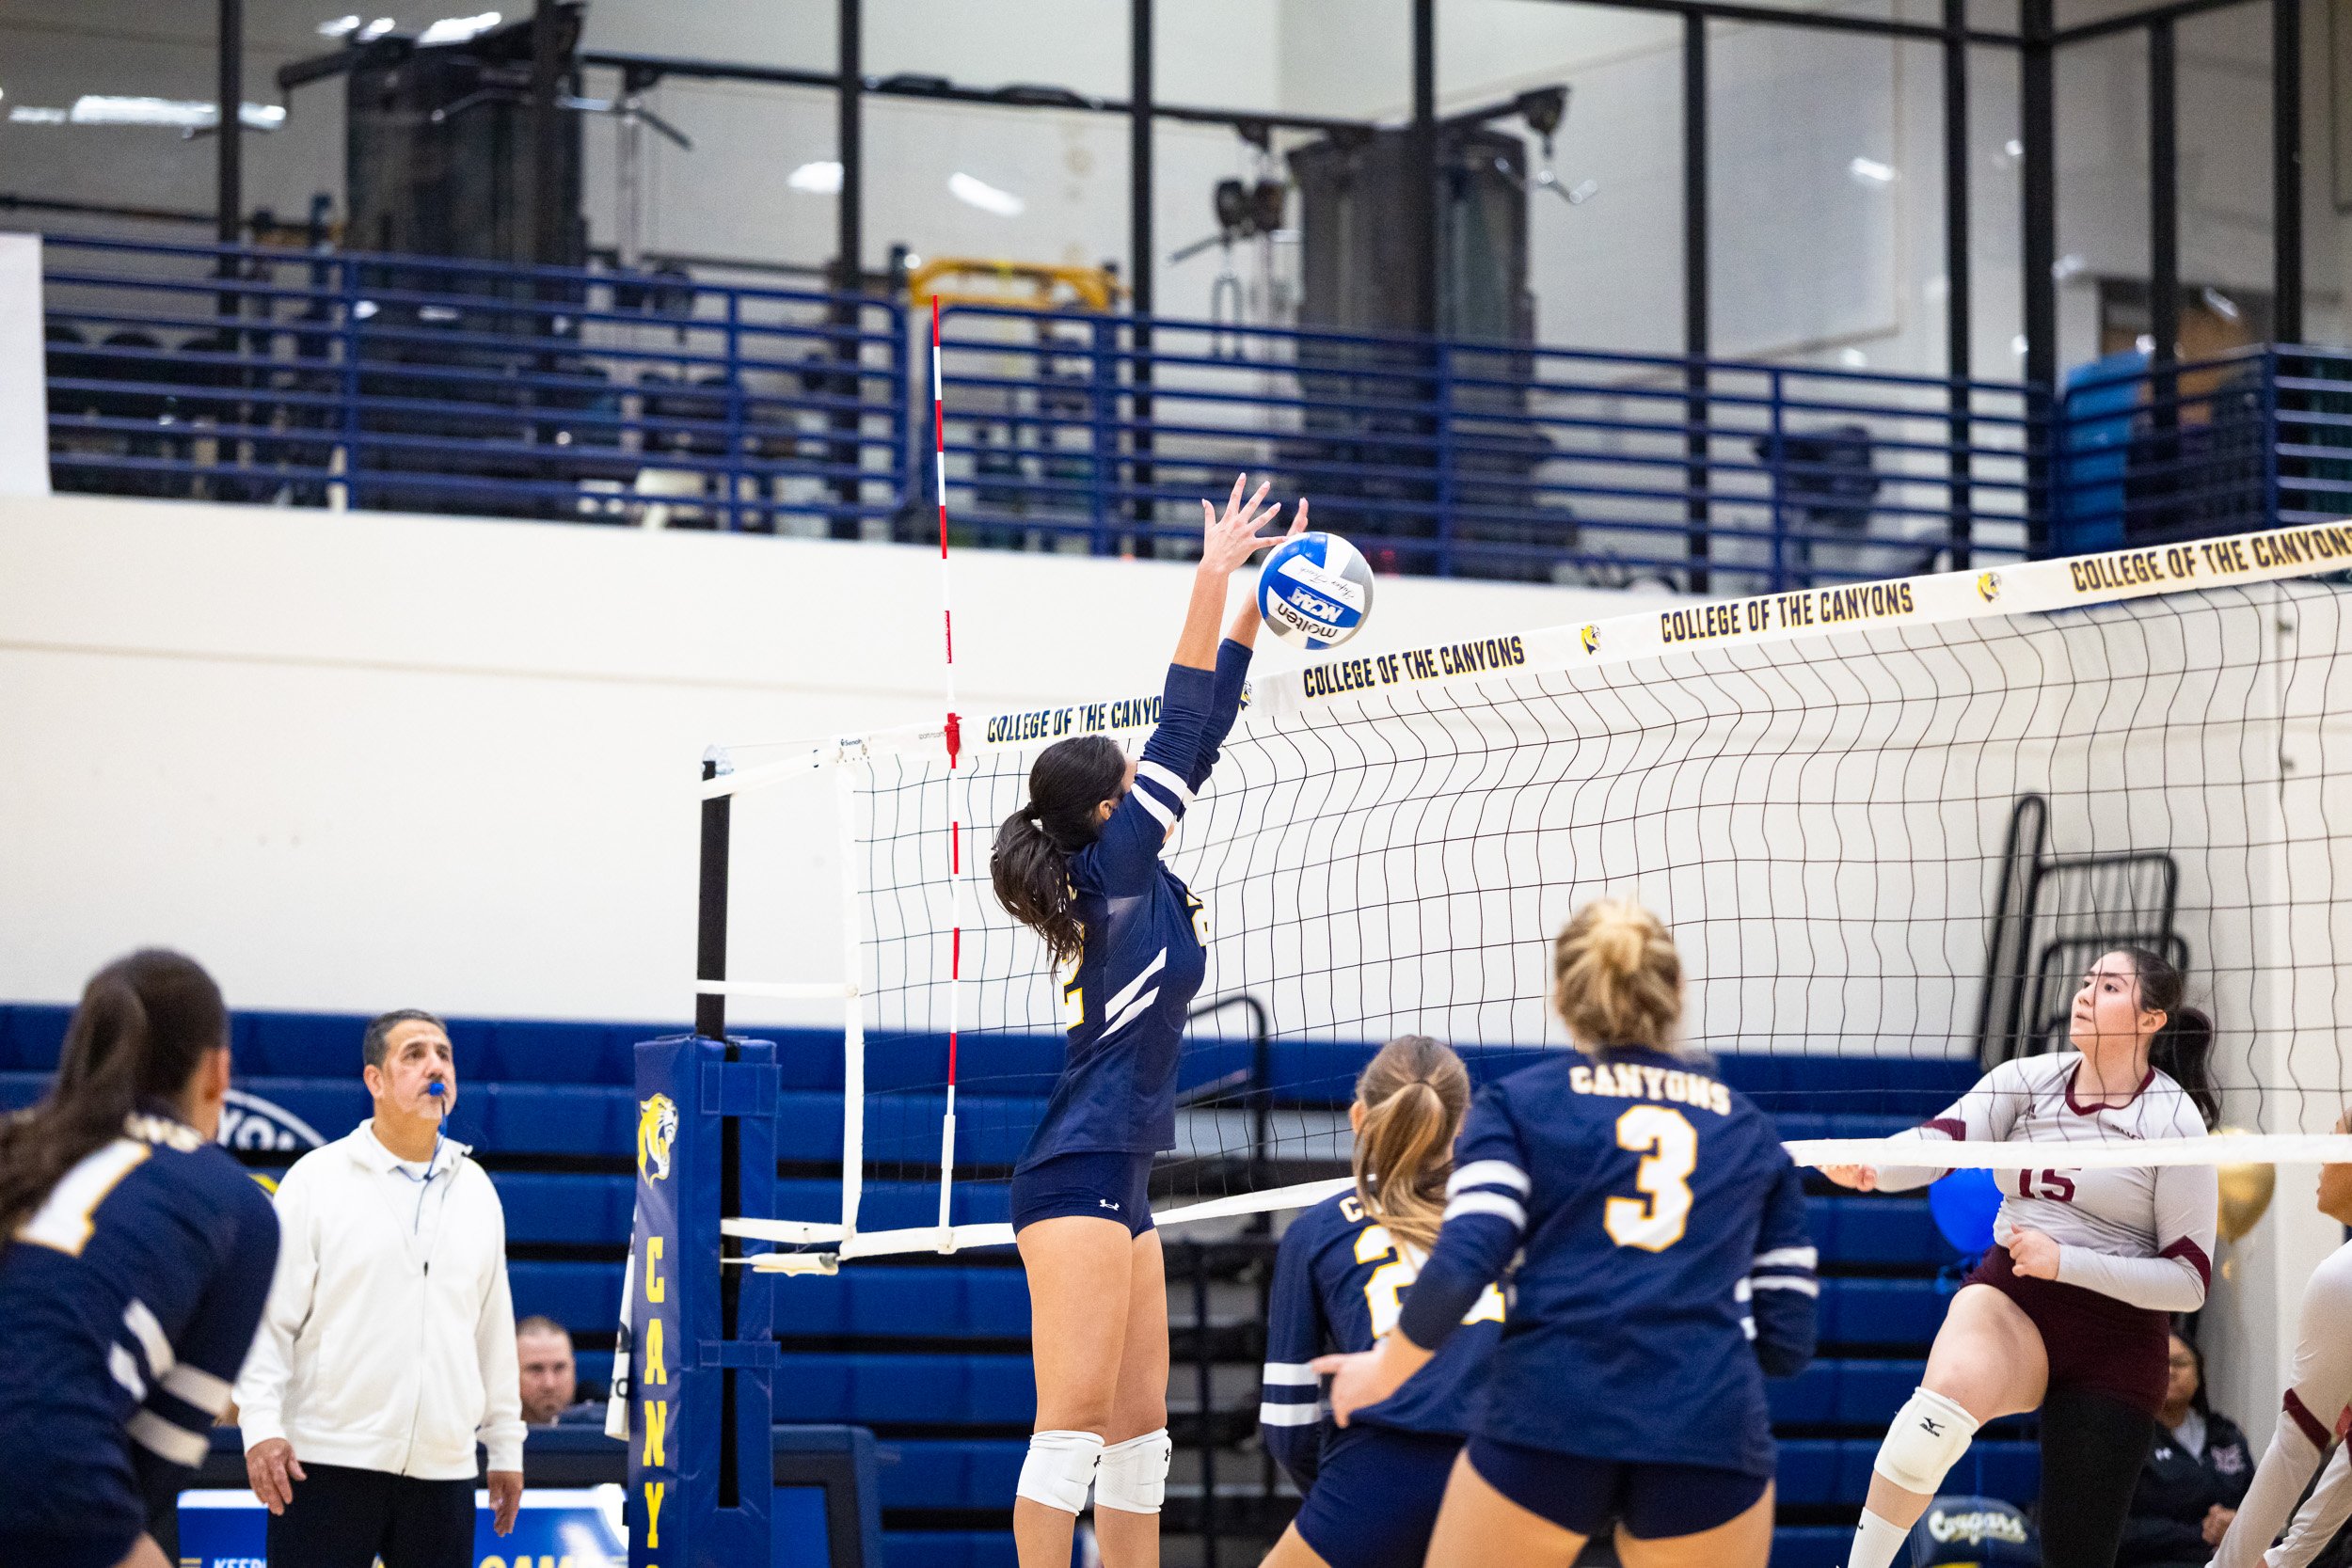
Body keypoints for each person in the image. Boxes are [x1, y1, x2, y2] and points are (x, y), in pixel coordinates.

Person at [990, 473, 1303, 1568]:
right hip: (1074, 1171)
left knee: (1140, 1440)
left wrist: (1256, 608)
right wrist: (1212, 574)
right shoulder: (1114, 869)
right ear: (1108, 807)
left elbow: (1201, 726)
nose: (1150, 768)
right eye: (1132, 774)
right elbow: (1176, 718)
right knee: (1071, 1430)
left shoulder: (1132, 870)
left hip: (1120, 1176)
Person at [1317, 900, 1817, 1568]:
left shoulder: (1518, 1106)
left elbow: (1466, 1259)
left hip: (1553, 1412)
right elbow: (1788, 1339)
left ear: (1561, 996)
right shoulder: (1750, 1130)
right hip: (1707, 1426)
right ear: (1677, 989)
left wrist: (1388, 1369)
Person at [1824, 948, 2220, 1568]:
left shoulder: (2174, 1120)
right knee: (1929, 1424)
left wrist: (2066, 1261)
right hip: (2015, 1301)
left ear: (2151, 1019)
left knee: (2076, 1554)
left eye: (2109, 986)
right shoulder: (2027, 1080)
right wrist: (1876, 1165)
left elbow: (2190, 1281)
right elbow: (1945, 1139)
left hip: (2117, 1341)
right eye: (2085, 981)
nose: (2084, 993)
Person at [0, 949, 282, 1568]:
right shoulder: (238, 1206)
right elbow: (156, 1465)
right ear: (218, 1072)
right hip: (43, 1473)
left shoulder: (14, 1140)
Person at [233, 1008, 528, 1568]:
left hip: (443, 1469)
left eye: (443, 1055)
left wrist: (506, 1445)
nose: (435, 1067)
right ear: (375, 1080)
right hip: (325, 1460)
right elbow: (269, 1318)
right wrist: (261, 1427)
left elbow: (491, 1327)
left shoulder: (477, 1191)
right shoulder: (316, 1180)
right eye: (414, 1054)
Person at [1256, 1036, 1503, 1568]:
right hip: (1504, 1469)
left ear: (1358, 1117)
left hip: (1378, 1469)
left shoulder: (1317, 1229)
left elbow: (1287, 1424)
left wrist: (1348, 1507)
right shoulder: (1507, 1217)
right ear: (1463, 1123)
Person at [2207, 1113, 2352, 1568]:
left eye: (2335, 1143)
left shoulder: (2342, 1278)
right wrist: (2285, 1559)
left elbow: (2297, 1445)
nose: (2320, 1156)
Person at [2116, 1332, 2251, 1568]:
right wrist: (2198, 1533)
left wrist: (2237, 1522)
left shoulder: (2226, 1434)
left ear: (2198, 1375)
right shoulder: (2126, 1436)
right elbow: (2116, 1529)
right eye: (2160, 1363)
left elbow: (2256, 1498)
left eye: (2179, 1363)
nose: (2170, 1371)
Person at [516, 1315, 602, 1425]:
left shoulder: (605, 1421)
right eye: (536, 1369)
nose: (549, 1384)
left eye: (559, 1368)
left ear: (573, 1369)